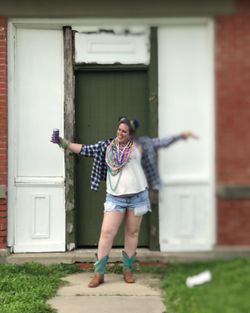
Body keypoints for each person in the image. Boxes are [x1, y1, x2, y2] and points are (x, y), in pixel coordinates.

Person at [51, 117, 197, 288]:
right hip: (115, 198)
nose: (120, 133)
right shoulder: (106, 147)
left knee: (132, 233)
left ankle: (127, 270)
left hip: (138, 197)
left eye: (124, 131)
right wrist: (62, 142)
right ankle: (99, 273)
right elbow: (84, 149)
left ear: (131, 134)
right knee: (106, 233)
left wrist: (180, 136)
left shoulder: (139, 146)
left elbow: (161, 142)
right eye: (119, 130)